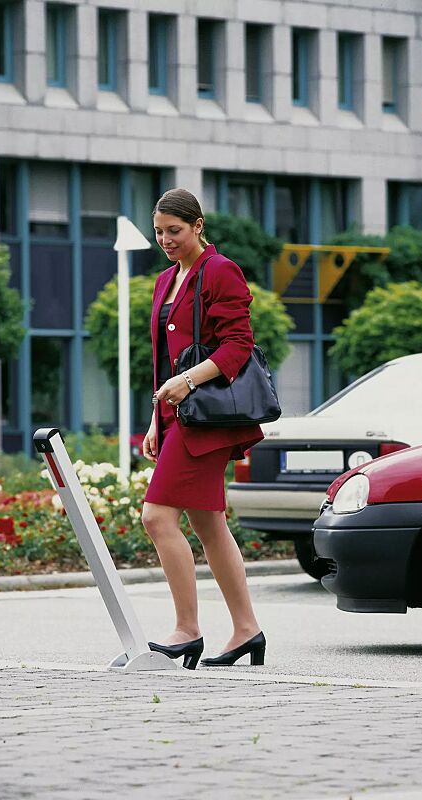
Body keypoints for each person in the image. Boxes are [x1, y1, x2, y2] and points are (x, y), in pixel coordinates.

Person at [141, 188, 266, 670]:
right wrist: (156, 418)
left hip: (209, 419)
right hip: (178, 418)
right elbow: (161, 360)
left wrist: (188, 380)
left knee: (157, 517)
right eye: (159, 232)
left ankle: (187, 630)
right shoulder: (164, 281)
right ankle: (246, 631)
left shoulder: (220, 271)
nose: (166, 240)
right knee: (208, 523)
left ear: (197, 225)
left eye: (175, 230)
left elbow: (238, 346)